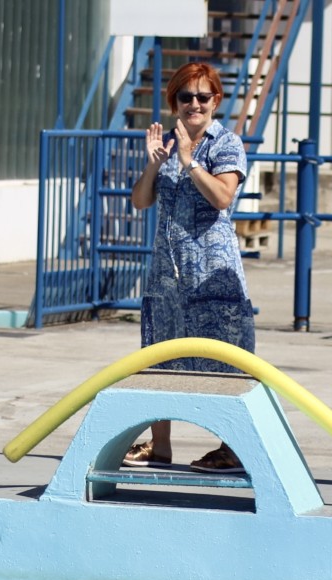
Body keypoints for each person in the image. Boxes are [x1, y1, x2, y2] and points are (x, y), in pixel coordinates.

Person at [124, 62, 255, 475]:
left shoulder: (226, 143)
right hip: (168, 275)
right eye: (186, 97)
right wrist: (154, 164)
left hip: (212, 275)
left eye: (203, 96)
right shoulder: (167, 143)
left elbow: (222, 197)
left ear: (216, 100)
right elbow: (140, 201)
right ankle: (160, 446)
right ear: (174, 102)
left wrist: (189, 161)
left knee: (227, 362)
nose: (194, 104)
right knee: (158, 357)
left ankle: (232, 449)